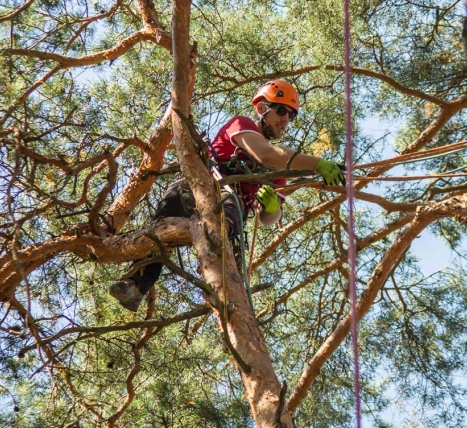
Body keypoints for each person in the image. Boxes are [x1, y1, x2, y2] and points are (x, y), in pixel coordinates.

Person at [109, 79, 346, 312]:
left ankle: (221, 295)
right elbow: (264, 153)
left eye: (291, 116)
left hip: (230, 202)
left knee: (221, 230)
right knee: (159, 228)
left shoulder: (278, 169)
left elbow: (268, 219)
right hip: (197, 184)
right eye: (281, 110)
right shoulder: (243, 125)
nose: (285, 120)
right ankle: (136, 286)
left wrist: (272, 207)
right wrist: (318, 164)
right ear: (262, 108)